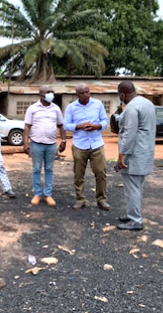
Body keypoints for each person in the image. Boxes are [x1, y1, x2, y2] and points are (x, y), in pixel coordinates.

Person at [115, 81, 156, 231]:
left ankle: (135, 220)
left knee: (132, 188)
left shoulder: (131, 108)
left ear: (122, 94)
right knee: (137, 187)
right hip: (145, 152)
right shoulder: (147, 103)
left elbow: (129, 134)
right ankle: (132, 214)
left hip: (133, 154)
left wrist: (121, 155)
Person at [64, 83, 110, 211]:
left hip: (96, 143)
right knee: (79, 174)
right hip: (80, 144)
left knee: (101, 172)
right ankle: (80, 199)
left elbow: (105, 121)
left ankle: (101, 200)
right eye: (83, 93)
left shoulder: (98, 104)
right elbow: (66, 125)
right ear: (77, 94)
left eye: (87, 91)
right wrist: (79, 126)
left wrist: (97, 126)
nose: (86, 94)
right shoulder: (71, 107)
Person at [23, 86, 66, 207]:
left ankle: (48, 194)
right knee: (36, 168)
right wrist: (26, 143)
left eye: (52, 92)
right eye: (48, 92)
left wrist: (63, 140)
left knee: (49, 169)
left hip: (51, 144)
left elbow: (61, 126)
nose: (51, 94)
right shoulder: (32, 109)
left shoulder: (56, 109)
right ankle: (37, 193)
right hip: (36, 143)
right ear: (41, 95)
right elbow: (27, 126)